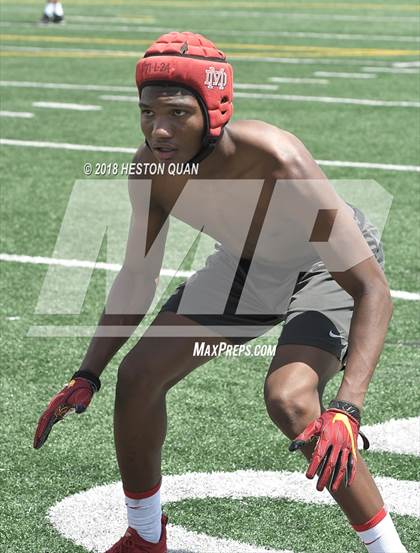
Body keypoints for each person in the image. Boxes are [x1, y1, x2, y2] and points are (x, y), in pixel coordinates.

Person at [34, 32, 407, 553]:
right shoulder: (150, 170)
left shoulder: (277, 158)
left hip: (324, 269)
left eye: (177, 113)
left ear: (214, 110)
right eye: (146, 112)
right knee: (136, 377)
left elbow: (370, 288)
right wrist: (87, 371)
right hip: (246, 267)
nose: (158, 130)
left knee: (291, 400)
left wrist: (348, 407)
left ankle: (388, 549)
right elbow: (137, 277)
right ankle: (145, 536)